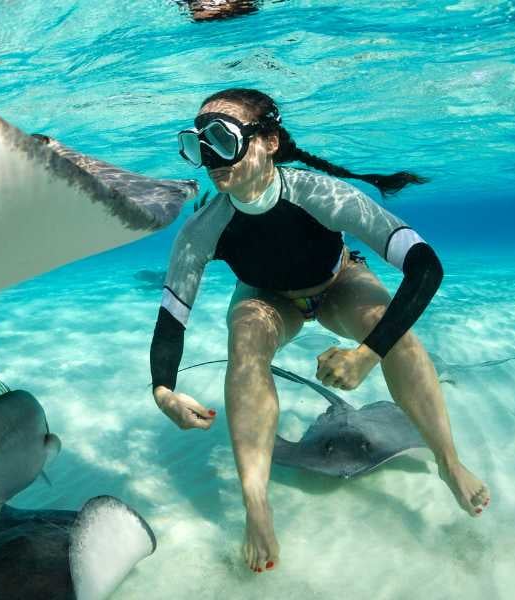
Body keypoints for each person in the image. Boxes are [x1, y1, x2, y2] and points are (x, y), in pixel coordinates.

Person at [149, 89, 490, 574]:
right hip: (266, 297)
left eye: (222, 140)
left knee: (391, 330)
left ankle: (448, 461)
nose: (210, 159)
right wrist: (163, 388)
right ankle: (256, 504)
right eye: (196, 144)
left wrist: (367, 354)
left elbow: (425, 268)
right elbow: (171, 318)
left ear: (267, 141)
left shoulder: (320, 195)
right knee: (244, 342)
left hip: (338, 281)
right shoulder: (203, 227)